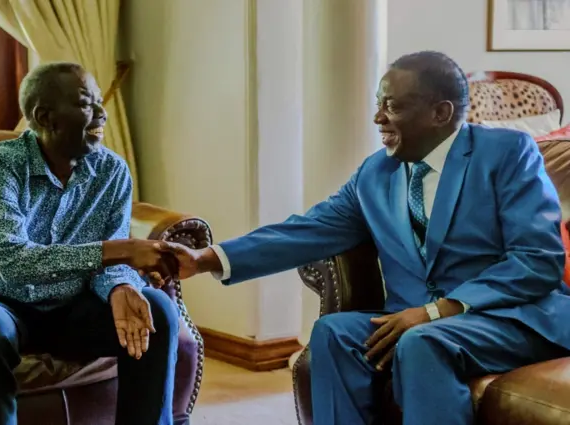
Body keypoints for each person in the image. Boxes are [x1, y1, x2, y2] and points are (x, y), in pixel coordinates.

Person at [159, 51, 570, 425]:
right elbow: (307, 230)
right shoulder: (376, 174)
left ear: (440, 113)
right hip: (416, 321)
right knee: (334, 333)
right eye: (378, 103)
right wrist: (204, 259)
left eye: (392, 105)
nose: (378, 118)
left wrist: (435, 311)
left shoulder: (507, 154)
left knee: (423, 341)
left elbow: (536, 260)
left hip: (511, 317)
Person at [0, 62, 180, 425]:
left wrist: (119, 285)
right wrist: (118, 251)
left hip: (70, 306)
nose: (103, 113)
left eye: (100, 101)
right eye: (88, 104)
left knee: (155, 310)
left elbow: (113, 261)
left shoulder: (112, 172)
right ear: (46, 117)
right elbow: (13, 260)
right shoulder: (2, 164)